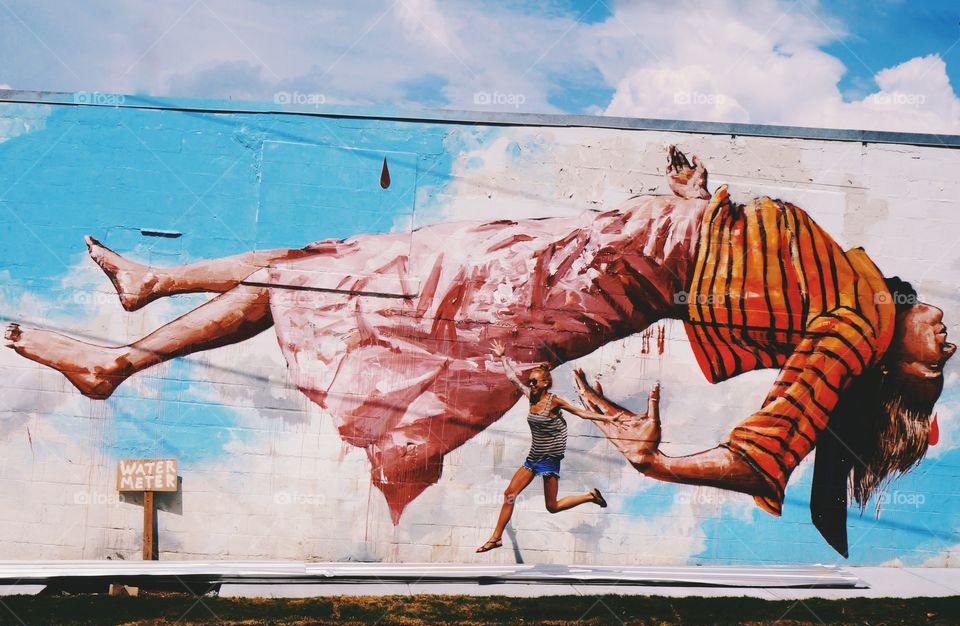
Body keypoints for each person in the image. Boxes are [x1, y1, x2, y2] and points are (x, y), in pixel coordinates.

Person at [5, 147, 953, 552]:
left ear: (896, 371)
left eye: (938, 360)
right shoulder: (854, 287)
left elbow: (761, 458)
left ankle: (138, 319)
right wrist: (700, 198)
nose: (946, 335)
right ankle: (128, 338)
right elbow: (743, 257)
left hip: (576, 278)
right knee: (342, 267)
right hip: (589, 258)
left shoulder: (855, 327)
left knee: (343, 268)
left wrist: (658, 458)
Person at [475, 340, 621, 553]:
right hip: (534, 457)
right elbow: (512, 378)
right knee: (509, 494)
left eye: (534, 382)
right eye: (530, 382)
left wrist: (607, 418)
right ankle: (496, 538)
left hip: (550, 459)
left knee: (551, 507)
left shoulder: (554, 401)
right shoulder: (531, 397)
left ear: (544, 384)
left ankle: (590, 496)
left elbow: (579, 411)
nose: (531, 385)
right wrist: (503, 356)